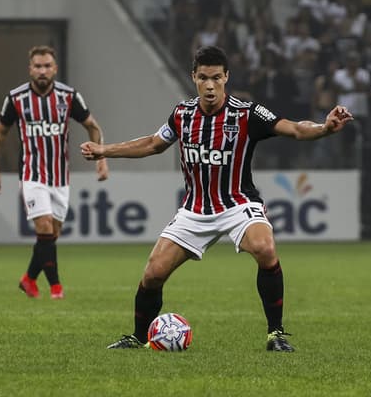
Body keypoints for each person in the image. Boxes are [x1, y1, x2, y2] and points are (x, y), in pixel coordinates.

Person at [80, 46, 353, 352]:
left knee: (264, 248)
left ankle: (275, 334)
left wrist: (325, 128)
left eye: (216, 78)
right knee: (153, 273)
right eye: (203, 78)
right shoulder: (182, 115)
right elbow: (153, 144)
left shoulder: (247, 113)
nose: (210, 86)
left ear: (226, 77)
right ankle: (138, 336)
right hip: (195, 210)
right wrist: (105, 150)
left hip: (238, 203)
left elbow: (294, 129)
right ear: (193, 78)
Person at [0, 45, 109, 299]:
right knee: (44, 228)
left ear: (54, 69)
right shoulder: (16, 98)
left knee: (52, 234)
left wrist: (101, 158)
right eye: (38, 66)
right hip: (32, 174)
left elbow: (93, 126)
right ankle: (45, 284)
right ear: (30, 69)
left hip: (60, 177)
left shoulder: (68, 97)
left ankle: (39, 282)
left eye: (47, 66)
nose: (42, 71)